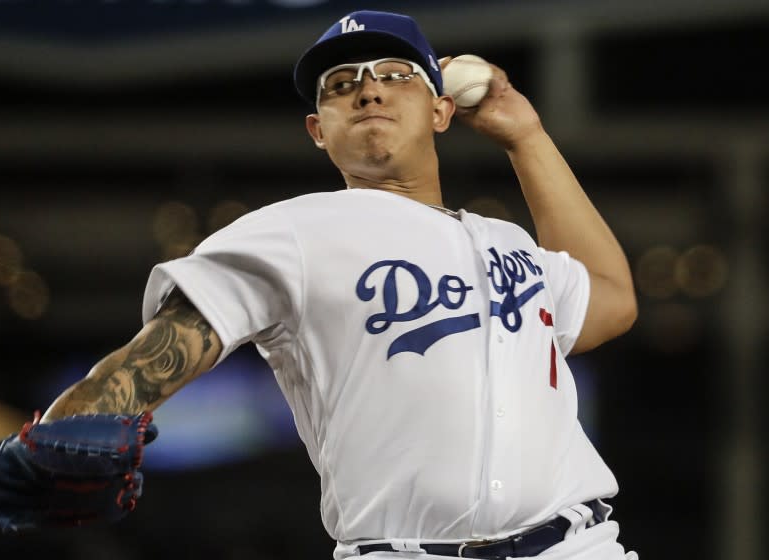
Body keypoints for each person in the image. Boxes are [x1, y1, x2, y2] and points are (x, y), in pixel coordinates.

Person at [39, 9, 639, 560]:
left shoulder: (507, 242)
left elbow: (610, 299)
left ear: (440, 110)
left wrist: (526, 137)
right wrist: (57, 436)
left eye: (396, 74)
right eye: (341, 84)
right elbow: (161, 348)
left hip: (577, 545)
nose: (368, 89)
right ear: (318, 130)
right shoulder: (294, 232)